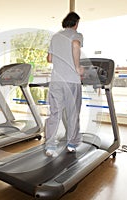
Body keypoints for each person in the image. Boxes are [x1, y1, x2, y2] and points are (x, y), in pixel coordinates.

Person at [45, 12, 84, 157]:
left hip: (56, 80)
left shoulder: (55, 36)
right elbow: (75, 45)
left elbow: (49, 58)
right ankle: (71, 144)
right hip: (71, 81)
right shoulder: (76, 35)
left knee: (54, 113)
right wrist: (78, 67)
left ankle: (50, 146)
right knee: (73, 114)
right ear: (76, 23)